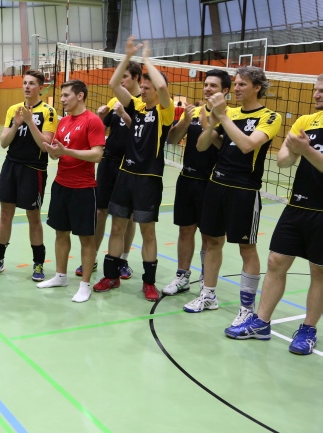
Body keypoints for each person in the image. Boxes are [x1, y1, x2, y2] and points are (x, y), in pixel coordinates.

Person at [224, 75, 323, 354]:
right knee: (276, 261)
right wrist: (294, 151)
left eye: (322, 91)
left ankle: (308, 329)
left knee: (319, 271)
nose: (317, 95)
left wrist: (306, 150)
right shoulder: (306, 121)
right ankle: (261, 322)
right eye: (316, 90)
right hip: (297, 205)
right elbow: (282, 161)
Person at [184, 67, 282, 328]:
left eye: (242, 84)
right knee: (211, 241)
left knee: (246, 248)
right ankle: (208, 295)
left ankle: (247, 308)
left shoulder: (270, 117)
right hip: (216, 184)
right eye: (235, 84)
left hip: (244, 190)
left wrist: (222, 116)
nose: (236, 88)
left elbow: (248, 145)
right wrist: (211, 124)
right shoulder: (231, 114)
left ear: (257, 87)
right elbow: (203, 146)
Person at [93, 37, 173, 301]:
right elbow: (114, 84)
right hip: (125, 176)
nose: (144, 91)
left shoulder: (164, 112)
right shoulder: (136, 107)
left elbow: (162, 86)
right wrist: (127, 57)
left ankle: (149, 282)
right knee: (117, 227)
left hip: (148, 179)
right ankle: (111, 276)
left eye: (148, 88)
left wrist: (147, 60)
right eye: (144, 87)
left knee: (147, 232)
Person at [163, 70, 231, 295]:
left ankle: (205, 278)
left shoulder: (228, 116)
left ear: (225, 91)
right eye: (206, 84)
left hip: (212, 183)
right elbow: (172, 140)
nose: (208, 88)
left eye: (214, 85)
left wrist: (208, 126)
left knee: (209, 236)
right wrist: (185, 121)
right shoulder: (194, 112)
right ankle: (182, 276)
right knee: (185, 231)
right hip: (187, 180)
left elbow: (226, 149)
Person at [38, 80, 105, 302]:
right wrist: (53, 151)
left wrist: (67, 150)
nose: (62, 99)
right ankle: (60, 276)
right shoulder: (64, 121)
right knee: (60, 232)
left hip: (83, 189)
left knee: (86, 238)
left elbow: (97, 155)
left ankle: (85, 285)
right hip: (61, 185)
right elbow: (58, 152)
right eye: (62, 95)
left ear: (80, 96)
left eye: (66, 95)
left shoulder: (93, 121)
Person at [0, 70, 56, 281]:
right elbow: (3, 142)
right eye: (25, 83)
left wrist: (30, 122)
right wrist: (17, 123)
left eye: (32, 83)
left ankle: (38, 264)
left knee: (33, 216)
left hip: (33, 169)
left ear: (40, 88)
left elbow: (45, 146)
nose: (27, 86)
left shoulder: (48, 111)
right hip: (11, 166)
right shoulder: (13, 109)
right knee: (5, 215)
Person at [83, 62, 142, 278]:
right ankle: (92, 257)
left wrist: (124, 115)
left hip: (130, 165)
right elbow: (101, 128)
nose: (120, 80)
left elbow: (142, 133)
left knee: (128, 216)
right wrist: (100, 117)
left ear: (136, 77)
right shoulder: (114, 100)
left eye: (124, 76)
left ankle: (123, 260)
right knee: (100, 212)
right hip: (109, 161)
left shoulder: (144, 102)